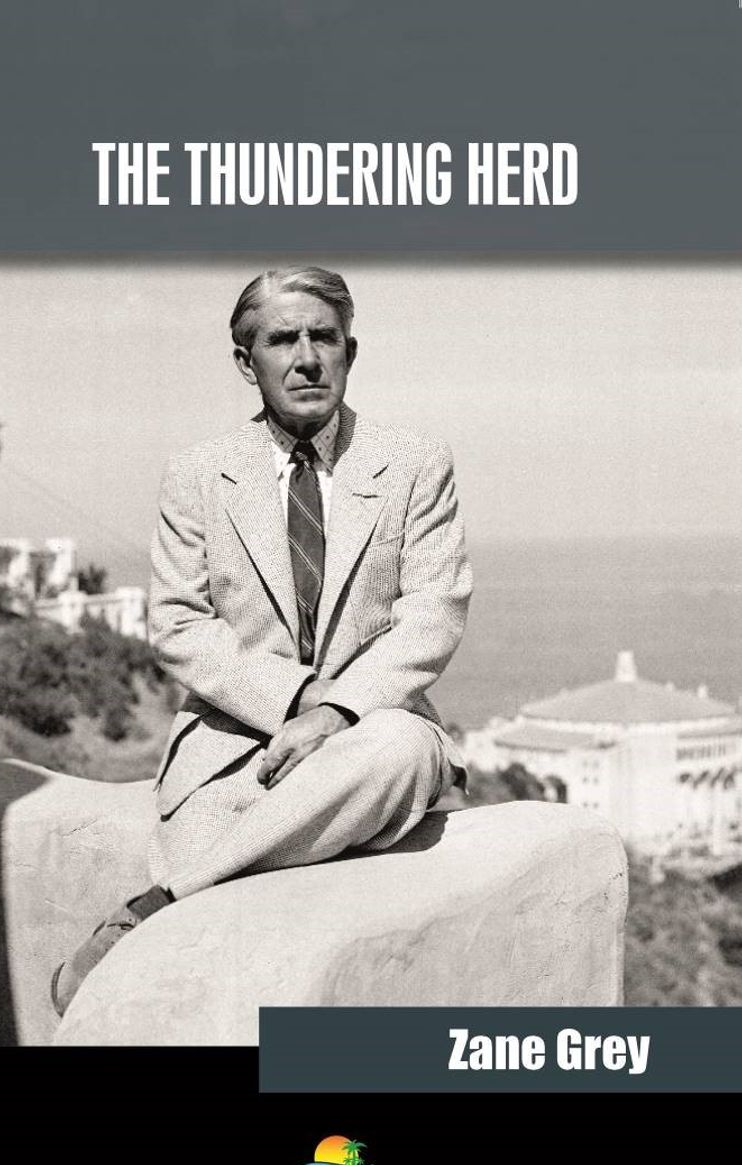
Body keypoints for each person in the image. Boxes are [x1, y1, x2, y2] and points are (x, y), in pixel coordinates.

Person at [52, 265, 473, 1016]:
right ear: (248, 364)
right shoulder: (198, 474)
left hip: (367, 736)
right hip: (235, 748)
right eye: (283, 340)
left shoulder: (414, 463)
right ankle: (201, 883)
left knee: (406, 749)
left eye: (325, 338)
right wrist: (298, 699)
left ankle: (157, 903)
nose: (308, 358)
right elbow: (178, 624)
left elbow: (433, 613)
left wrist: (336, 713)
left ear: (350, 351)